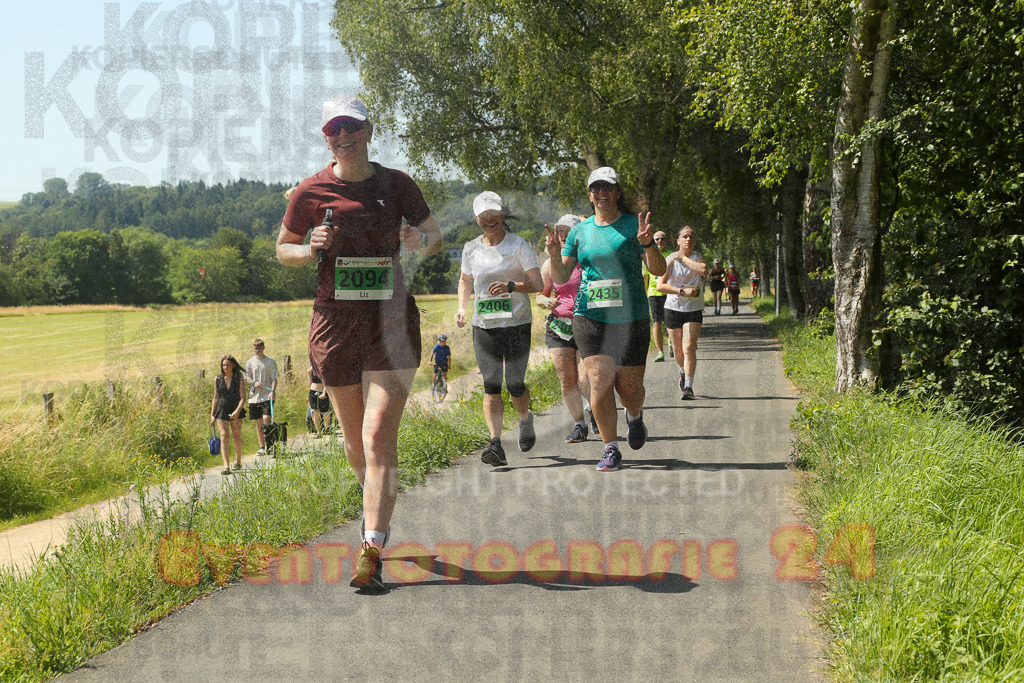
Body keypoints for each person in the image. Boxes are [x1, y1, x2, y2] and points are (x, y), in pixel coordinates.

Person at [276, 93, 443, 593]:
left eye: (351, 125)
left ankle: (371, 547)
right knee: (355, 442)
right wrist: (309, 250)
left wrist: (419, 241)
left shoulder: (397, 184)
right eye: (334, 128)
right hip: (335, 323)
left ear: (368, 130)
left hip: (390, 323)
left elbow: (434, 235)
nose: (343, 135)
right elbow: (282, 249)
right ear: (325, 137)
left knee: (376, 437)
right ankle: (376, 501)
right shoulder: (310, 190)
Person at [545, 166, 665, 472]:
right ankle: (611, 447)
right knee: (599, 381)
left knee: (630, 389)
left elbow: (658, 270)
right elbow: (561, 277)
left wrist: (647, 244)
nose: (602, 193)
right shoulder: (580, 232)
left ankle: (634, 416)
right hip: (590, 316)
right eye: (596, 188)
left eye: (607, 187)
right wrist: (555, 256)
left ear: (617, 192)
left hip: (631, 317)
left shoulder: (633, 226)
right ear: (589, 195)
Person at [456, 191, 544, 467]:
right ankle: (495, 445)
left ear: (503, 215)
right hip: (484, 325)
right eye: (484, 215)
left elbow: (538, 284)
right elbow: (465, 280)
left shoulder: (518, 245)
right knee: (491, 384)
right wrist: (462, 308)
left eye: (495, 214)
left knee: (515, 385)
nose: (490, 219)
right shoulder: (470, 248)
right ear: (476, 219)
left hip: (517, 323)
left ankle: (524, 418)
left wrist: (511, 286)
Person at [537, 213, 597, 443]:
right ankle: (579, 425)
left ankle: (595, 410)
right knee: (567, 378)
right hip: (559, 326)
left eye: (568, 232)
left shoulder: (589, 260)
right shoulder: (549, 264)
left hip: (587, 322)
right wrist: (545, 301)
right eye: (559, 231)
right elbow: (541, 295)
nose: (563, 236)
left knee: (585, 377)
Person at [656, 226, 707, 401]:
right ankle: (682, 371)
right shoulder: (670, 259)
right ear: (678, 240)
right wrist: (681, 291)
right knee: (678, 350)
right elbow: (660, 286)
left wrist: (683, 258)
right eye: (685, 237)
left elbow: (702, 270)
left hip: (693, 308)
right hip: (673, 308)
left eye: (691, 237)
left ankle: (688, 387)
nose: (688, 240)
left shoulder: (697, 257)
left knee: (689, 347)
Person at [210, 355, 247, 474]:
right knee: (224, 435)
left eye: (228, 365)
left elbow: (243, 397)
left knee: (236, 434)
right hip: (222, 409)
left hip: (236, 408)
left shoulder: (238, 379)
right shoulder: (217, 379)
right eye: (223, 365)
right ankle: (226, 466)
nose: (225, 367)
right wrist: (212, 414)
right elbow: (216, 397)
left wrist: (237, 411)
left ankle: (238, 461)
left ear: (233, 365)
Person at [643, 230, 675, 362]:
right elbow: (645, 276)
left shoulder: (672, 255)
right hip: (654, 293)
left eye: (662, 239)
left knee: (670, 321)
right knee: (656, 322)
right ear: (653, 241)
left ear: (666, 241)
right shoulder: (648, 254)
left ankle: (672, 342)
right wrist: (644, 294)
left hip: (669, 292)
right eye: (657, 239)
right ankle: (660, 352)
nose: (659, 241)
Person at [245, 339, 279, 455]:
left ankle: (271, 444)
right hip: (254, 396)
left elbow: (274, 378)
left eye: (259, 348)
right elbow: (246, 378)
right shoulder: (250, 362)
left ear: (263, 348)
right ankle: (262, 446)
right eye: (255, 348)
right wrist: (254, 382)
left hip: (267, 395)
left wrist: (272, 391)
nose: (257, 350)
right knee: (259, 421)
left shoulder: (270, 361)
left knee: (266, 418)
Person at [307, 364, 333, 435]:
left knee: (325, 413)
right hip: (313, 391)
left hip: (323, 391)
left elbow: (326, 382)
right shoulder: (310, 370)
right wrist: (308, 396)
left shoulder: (324, 369)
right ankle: (318, 431)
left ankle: (327, 429)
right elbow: (310, 383)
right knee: (315, 412)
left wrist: (324, 393)